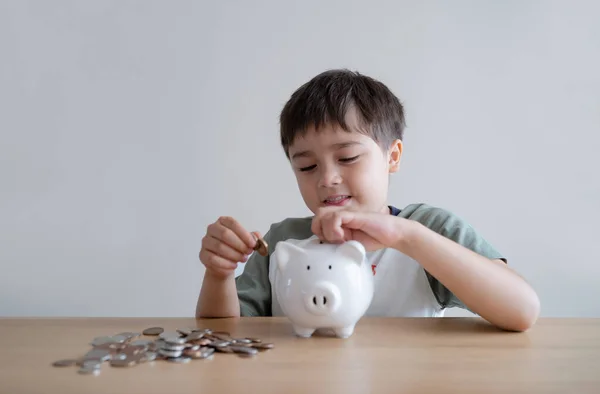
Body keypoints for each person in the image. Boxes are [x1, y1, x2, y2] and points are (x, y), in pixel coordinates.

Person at [196, 69, 540, 332]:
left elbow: (522, 310)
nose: (327, 178)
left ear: (392, 156)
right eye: (307, 166)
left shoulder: (427, 230)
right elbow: (223, 336)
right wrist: (219, 274)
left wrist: (406, 236)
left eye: (347, 158)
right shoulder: (281, 241)